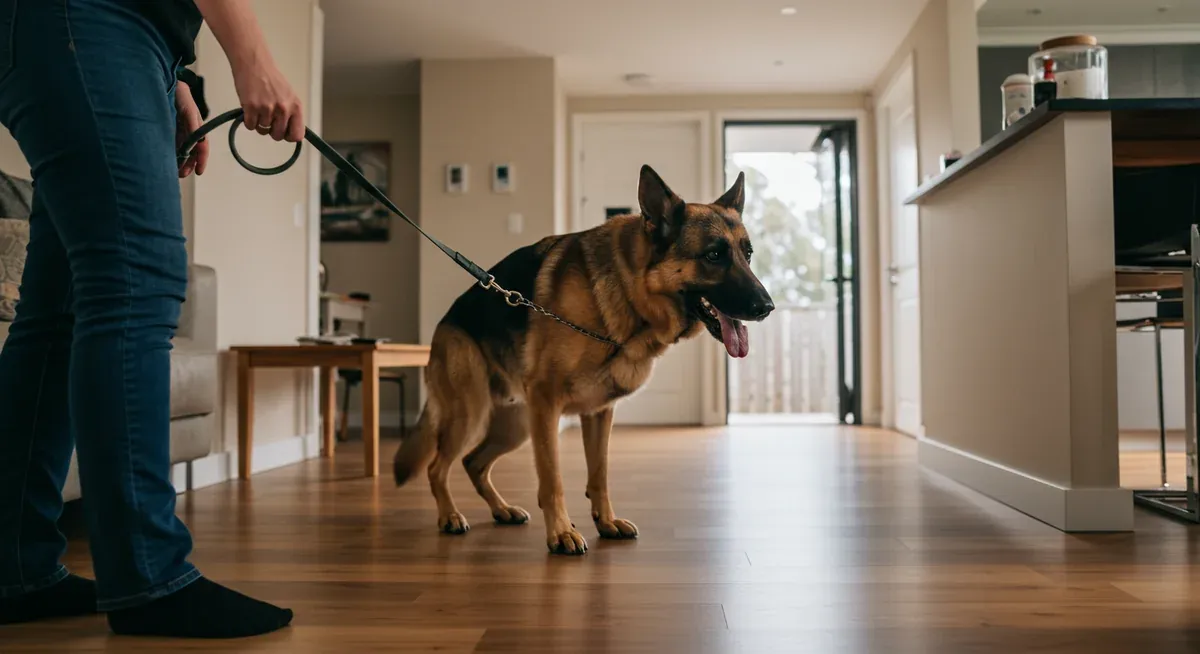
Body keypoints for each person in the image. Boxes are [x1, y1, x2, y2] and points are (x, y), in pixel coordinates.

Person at [0, 0, 305, 639]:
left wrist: (179, 79)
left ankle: (15, 568)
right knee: (135, 278)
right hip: (85, 19)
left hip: (92, 28)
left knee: (58, 310)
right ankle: (147, 575)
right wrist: (253, 57)